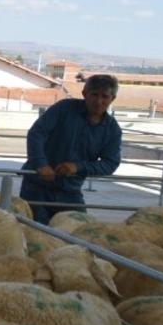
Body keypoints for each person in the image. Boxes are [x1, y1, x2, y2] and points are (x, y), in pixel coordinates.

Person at [20, 74, 122, 225]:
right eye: (94, 94)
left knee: (81, 232)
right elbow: (37, 133)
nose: (99, 101)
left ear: (112, 99)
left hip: (70, 191)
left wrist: (78, 167)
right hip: (36, 186)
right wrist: (41, 164)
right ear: (84, 94)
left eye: (104, 96)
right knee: (35, 232)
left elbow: (110, 163)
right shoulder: (64, 109)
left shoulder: (112, 130)